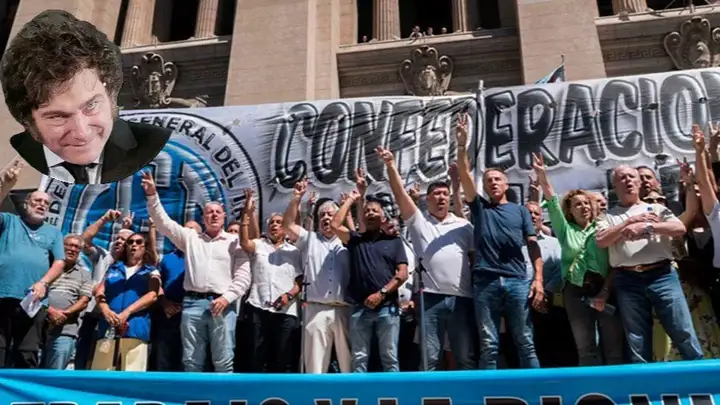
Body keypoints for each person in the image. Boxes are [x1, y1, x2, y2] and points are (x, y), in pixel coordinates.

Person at [1, 10, 171, 184]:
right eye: (58, 116)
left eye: (91, 105)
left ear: (111, 96)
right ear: (29, 123)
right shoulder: (18, 158)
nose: (81, 133)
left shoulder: (153, 145)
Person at [454, 114, 544, 369]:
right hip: (486, 281)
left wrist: (538, 280)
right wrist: (461, 144)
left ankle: (535, 388)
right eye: (488, 181)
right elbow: (464, 174)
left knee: (525, 340)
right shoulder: (480, 207)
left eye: (497, 179)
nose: (492, 183)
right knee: (489, 343)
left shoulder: (521, 211)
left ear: (506, 185)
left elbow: (533, 245)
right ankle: (488, 389)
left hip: (517, 280)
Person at [375, 146, 475, 370]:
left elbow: (474, 259)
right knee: (430, 359)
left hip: (461, 298)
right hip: (430, 299)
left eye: (445, 194)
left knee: (464, 357)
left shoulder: (464, 225)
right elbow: (400, 195)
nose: (441, 198)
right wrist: (391, 165)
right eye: (436, 194)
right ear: (427, 199)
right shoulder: (419, 223)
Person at [142, 171, 251, 373]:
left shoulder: (235, 242)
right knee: (191, 362)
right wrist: (152, 195)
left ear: (224, 217)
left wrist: (226, 298)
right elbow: (164, 223)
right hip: (192, 305)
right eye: (209, 212)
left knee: (224, 362)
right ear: (203, 217)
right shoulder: (191, 239)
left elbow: (243, 277)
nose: (214, 215)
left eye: (218, 212)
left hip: (222, 304)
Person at [595, 164, 702, 363]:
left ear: (638, 182)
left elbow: (679, 228)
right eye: (622, 178)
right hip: (626, 279)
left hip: (662, 275)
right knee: (636, 338)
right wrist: (629, 222)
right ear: (614, 186)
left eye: (631, 176)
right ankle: (643, 380)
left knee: (682, 329)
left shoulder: (658, 209)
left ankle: (700, 374)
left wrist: (649, 227)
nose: (628, 180)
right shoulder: (607, 216)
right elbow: (601, 240)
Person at [531, 153, 625, 366]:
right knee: (586, 348)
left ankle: (617, 386)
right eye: (577, 205)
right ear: (570, 211)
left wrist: (605, 291)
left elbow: (615, 261)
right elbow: (552, 202)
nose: (583, 207)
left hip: (604, 289)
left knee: (613, 346)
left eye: (586, 203)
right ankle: (592, 386)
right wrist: (543, 176)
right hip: (575, 292)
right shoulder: (565, 230)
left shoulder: (605, 228)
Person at [331, 190, 409, 372]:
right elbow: (335, 225)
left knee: (389, 358)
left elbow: (403, 273)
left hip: (387, 308)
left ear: (383, 217)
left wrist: (381, 293)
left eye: (374, 210)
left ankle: (392, 391)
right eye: (367, 211)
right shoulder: (356, 240)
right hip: (360, 307)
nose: (370, 213)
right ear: (363, 218)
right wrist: (350, 199)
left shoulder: (394, 241)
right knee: (359, 358)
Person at [0, 159, 66, 368]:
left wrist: (43, 283)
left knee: (26, 353)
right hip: (3, 295)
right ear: (26, 204)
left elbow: (59, 262)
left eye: (46, 203)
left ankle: (21, 391)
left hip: (34, 300)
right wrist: (6, 185)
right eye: (38, 200)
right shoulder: (9, 221)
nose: (42, 205)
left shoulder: (53, 232)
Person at [282, 179, 352, 374]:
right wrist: (297, 197)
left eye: (331, 214)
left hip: (344, 309)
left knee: (349, 365)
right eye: (322, 215)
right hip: (315, 309)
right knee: (315, 366)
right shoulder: (309, 239)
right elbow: (288, 225)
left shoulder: (348, 241)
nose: (326, 218)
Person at [240, 191, 303, 373]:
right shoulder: (259, 245)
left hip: (286, 310)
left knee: (282, 358)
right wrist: (246, 212)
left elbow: (300, 280)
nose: (275, 225)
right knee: (255, 357)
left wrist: (289, 295)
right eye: (272, 223)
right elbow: (244, 242)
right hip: (258, 307)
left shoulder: (294, 251)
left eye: (279, 222)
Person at [92, 233, 160, 371]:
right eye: (130, 242)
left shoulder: (151, 271)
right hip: (108, 327)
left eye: (138, 242)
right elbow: (99, 292)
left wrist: (127, 312)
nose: (134, 245)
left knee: (133, 373)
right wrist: (105, 310)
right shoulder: (114, 268)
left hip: (135, 327)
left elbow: (152, 295)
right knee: (101, 372)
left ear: (145, 247)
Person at [152, 221, 202, 372]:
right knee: (162, 360)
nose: (187, 232)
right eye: (185, 229)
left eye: (192, 230)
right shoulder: (167, 258)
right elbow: (157, 284)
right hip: (168, 314)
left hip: (195, 314)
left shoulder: (203, 257)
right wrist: (164, 303)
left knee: (190, 360)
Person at [41, 234, 92, 370]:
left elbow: (84, 300)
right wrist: (50, 311)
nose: (72, 249)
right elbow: (33, 292)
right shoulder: (45, 267)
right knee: (30, 371)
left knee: (55, 375)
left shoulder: (84, 274)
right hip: (38, 328)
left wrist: (64, 314)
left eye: (77, 247)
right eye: (69, 245)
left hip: (65, 332)